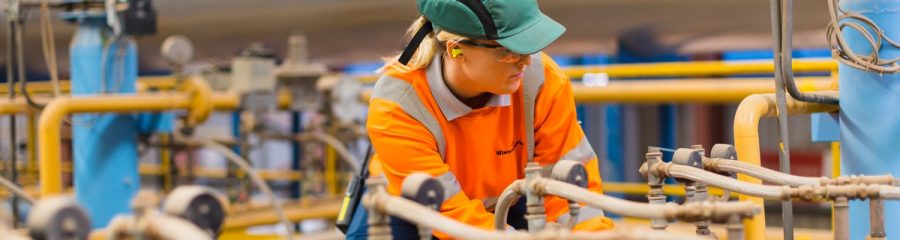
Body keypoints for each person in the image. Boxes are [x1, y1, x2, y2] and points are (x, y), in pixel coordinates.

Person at [346, 0, 612, 238]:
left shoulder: (542, 82)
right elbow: (450, 213)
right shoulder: (399, 107)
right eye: (507, 49)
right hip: (413, 211)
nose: (524, 62)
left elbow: (569, 193)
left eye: (528, 46)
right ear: (456, 50)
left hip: (507, 201)